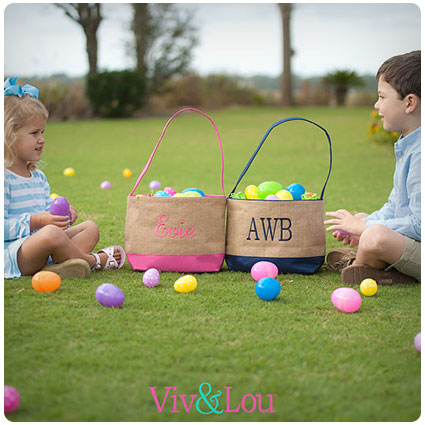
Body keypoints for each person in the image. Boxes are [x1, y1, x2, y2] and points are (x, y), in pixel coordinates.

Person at [4, 77, 126, 279]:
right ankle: (92, 261)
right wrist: (37, 220)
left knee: (90, 228)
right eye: (34, 133)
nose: (42, 139)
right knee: (51, 235)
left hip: (44, 244)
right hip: (15, 254)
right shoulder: (5, 179)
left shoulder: (38, 177)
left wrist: (61, 217)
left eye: (43, 132)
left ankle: (57, 267)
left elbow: (47, 218)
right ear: (9, 135)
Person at [324, 51, 421, 285]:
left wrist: (365, 228)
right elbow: (395, 207)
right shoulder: (409, 145)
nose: (377, 105)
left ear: (409, 102)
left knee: (375, 235)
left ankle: (362, 265)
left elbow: (419, 224)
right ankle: (372, 261)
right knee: (365, 221)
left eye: (382, 97)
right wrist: (361, 224)